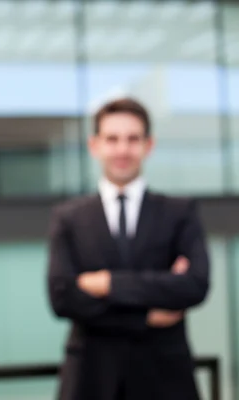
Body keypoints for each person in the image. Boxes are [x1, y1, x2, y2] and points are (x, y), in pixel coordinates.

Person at [47, 98, 210, 400]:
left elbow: (194, 285)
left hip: (165, 379)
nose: (123, 149)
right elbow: (62, 297)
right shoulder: (68, 217)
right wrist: (146, 314)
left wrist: (107, 283)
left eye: (133, 139)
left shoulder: (180, 212)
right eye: (112, 139)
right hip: (91, 379)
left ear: (149, 145)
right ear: (94, 145)